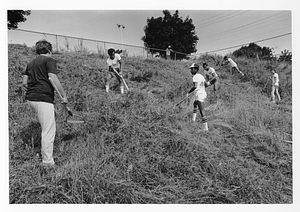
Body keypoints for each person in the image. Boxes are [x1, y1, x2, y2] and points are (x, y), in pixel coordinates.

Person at [22, 39, 68, 166]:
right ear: (49, 50)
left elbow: (24, 82)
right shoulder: (49, 60)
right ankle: (47, 162)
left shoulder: (31, 63)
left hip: (31, 98)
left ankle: (43, 151)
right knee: (48, 129)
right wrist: (63, 96)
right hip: (43, 98)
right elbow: (53, 78)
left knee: (47, 123)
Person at [186, 63, 209, 131]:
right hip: (203, 93)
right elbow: (206, 85)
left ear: (196, 69)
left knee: (202, 110)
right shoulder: (201, 76)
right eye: (191, 69)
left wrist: (188, 93)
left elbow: (195, 86)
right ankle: (193, 120)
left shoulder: (195, 76)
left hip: (200, 95)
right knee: (195, 103)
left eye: (192, 69)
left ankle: (205, 128)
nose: (191, 70)